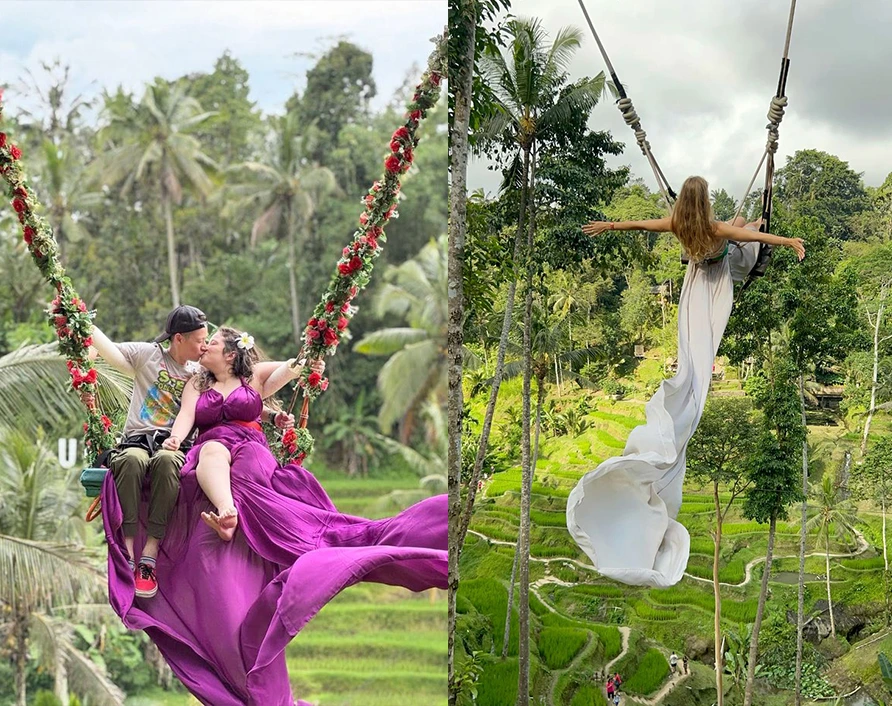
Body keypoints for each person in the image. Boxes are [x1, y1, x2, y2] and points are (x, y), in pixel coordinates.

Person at [99, 325, 447, 705]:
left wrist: (312, 348)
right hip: (211, 449)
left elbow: (292, 369)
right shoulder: (196, 386)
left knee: (244, 471)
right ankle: (227, 511)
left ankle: (241, 508)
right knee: (211, 453)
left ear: (230, 354)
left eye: (211, 343)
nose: (204, 348)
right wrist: (175, 441)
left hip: (251, 449)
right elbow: (184, 419)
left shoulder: (255, 377)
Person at [567, 176, 806, 588]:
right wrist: (792, 242)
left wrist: (607, 226)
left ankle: (746, 227)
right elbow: (769, 237)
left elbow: (640, 224)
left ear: (682, 205)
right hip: (721, 278)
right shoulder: (715, 229)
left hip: (696, 280)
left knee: (745, 224)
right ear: (706, 202)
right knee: (749, 228)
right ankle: (746, 228)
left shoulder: (677, 225)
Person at [91, 306, 296, 598]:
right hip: (138, 439)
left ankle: (150, 552)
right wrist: (86, 328)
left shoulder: (198, 374)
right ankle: (126, 546)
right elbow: (110, 352)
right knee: (131, 461)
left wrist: (270, 414)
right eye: (201, 339)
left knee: (166, 463)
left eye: (209, 341)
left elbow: (232, 398)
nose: (204, 345)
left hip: (177, 447)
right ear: (178, 338)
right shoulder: (149, 355)